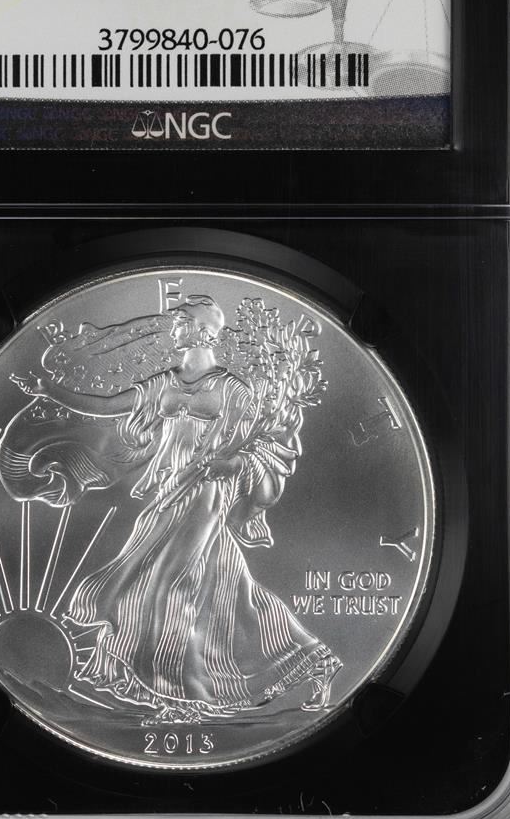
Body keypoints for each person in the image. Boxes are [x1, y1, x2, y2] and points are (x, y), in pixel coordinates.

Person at [17, 295, 340, 722]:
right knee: (230, 592)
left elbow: (255, 447)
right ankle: (314, 660)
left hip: (205, 495)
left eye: (183, 321)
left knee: (170, 587)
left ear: (205, 331)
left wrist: (229, 465)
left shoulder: (233, 390)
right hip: (167, 494)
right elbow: (108, 406)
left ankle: (182, 699)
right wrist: (50, 390)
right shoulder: (165, 383)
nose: (174, 328)